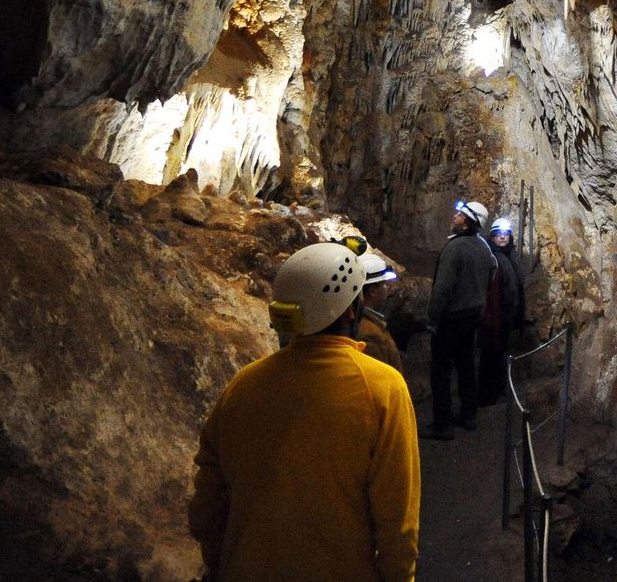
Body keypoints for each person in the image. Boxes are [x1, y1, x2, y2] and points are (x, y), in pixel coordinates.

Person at [188, 242, 420, 582]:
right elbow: (397, 518)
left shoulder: (243, 386)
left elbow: (208, 505)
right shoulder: (383, 389)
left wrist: (221, 562)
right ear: (352, 311)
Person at [423, 199, 494, 440]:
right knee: (466, 366)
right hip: (472, 316)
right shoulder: (484, 248)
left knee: (441, 371)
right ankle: (468, 415)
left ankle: (442, 424)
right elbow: (491, 273)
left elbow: (442, 289)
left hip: (451, 318)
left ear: (467, 222)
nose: (454, 216)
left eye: (459, 215)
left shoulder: (454, 249)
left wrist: (432, 319)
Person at [479, 215, 529, 405]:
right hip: (493, 316)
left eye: (506, 234)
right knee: (490, 355)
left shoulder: (510, 256)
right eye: (498, 234)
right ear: (491, 237)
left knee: (498, 354)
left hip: (506, 316)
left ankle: (496, 390)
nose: (502, 237)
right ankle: (486, 395)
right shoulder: (491, 258)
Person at [357, 252, 404, 374]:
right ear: (372, 291)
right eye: (384, 285)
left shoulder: (369, 323)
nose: (387, 288)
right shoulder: (368, 335)